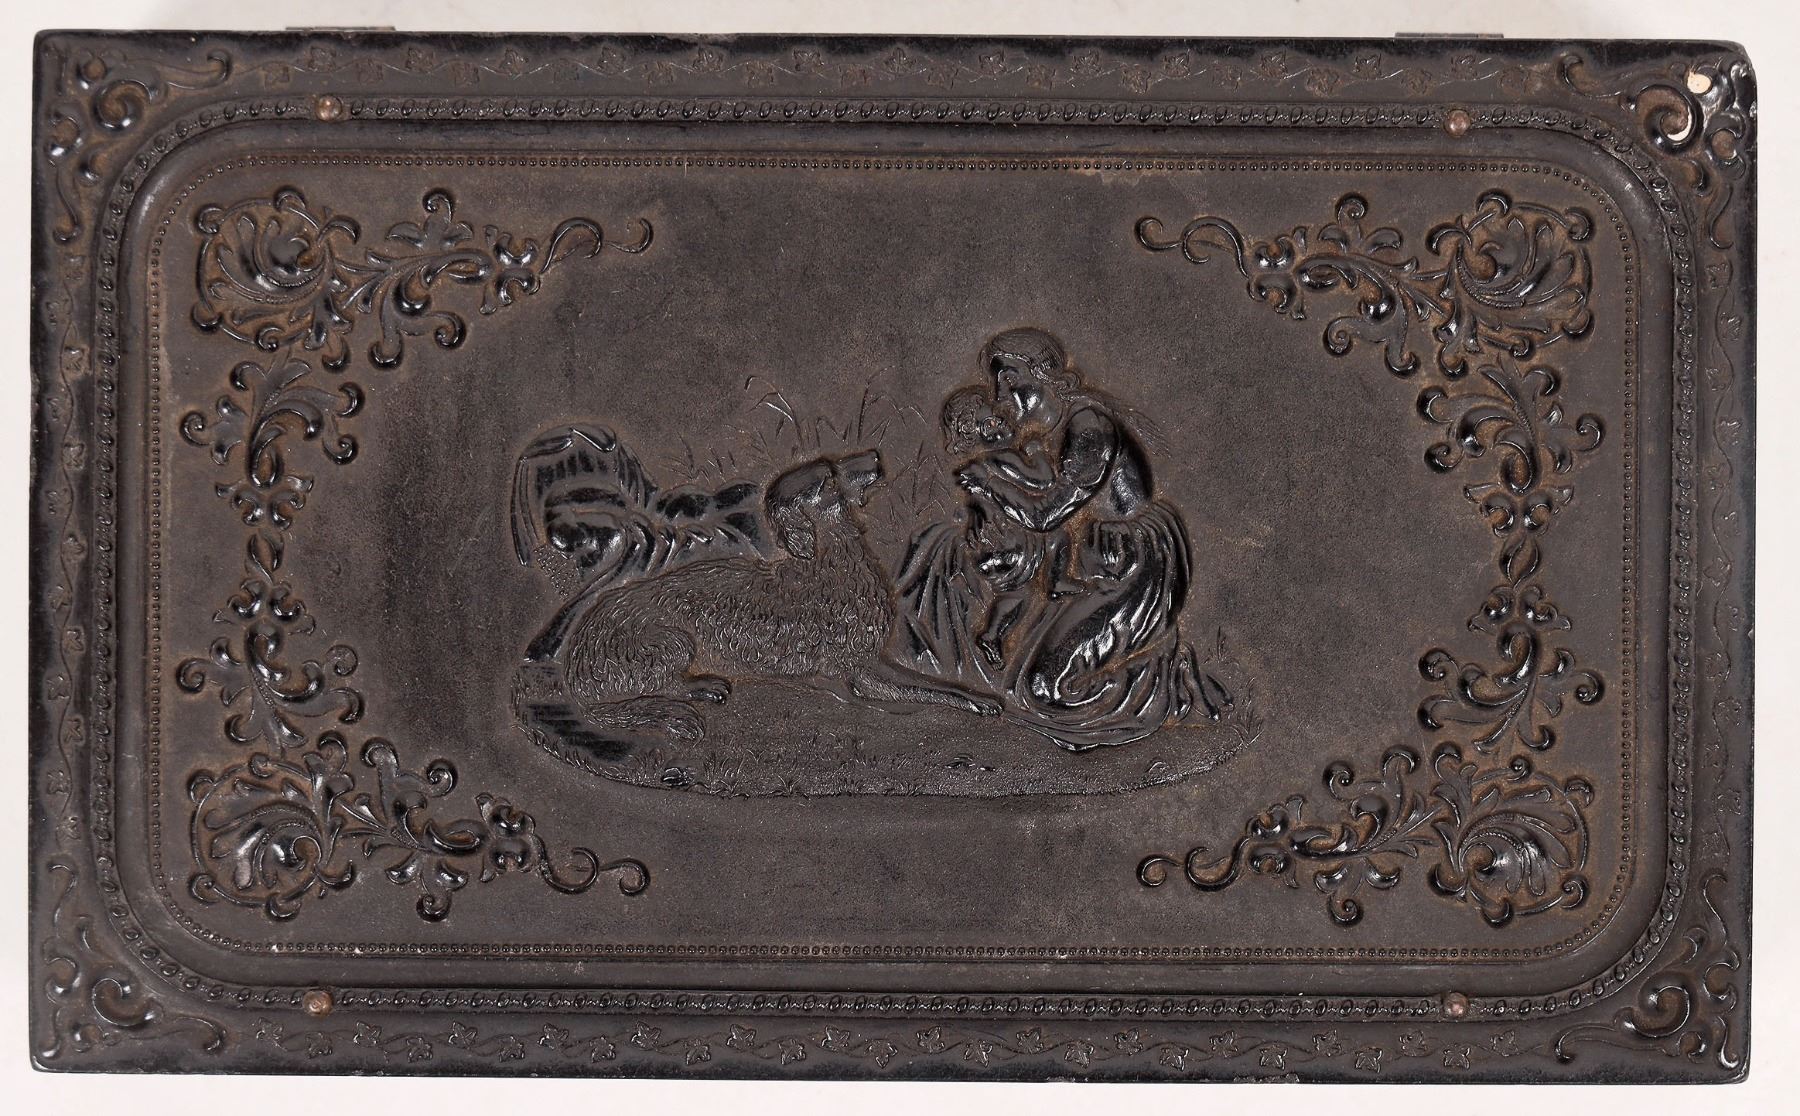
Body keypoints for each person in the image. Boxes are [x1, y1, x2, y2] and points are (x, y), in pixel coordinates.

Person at [898, 328, 1227, 750]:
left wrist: (989, 482)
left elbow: (1046, 514)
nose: (1002, 396)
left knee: (1045, 690)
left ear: (1046, 377)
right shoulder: (1047, 436)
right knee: (1025, 681)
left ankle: (1166, 678)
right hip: (1096, 564)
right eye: (999, 385)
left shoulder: (1088, 428)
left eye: (1011, 380)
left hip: (1135, 564)